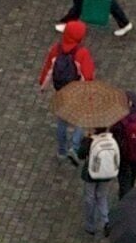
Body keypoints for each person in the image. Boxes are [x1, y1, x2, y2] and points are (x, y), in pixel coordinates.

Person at [38, 16, 95, 162]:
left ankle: (61, 151)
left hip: (61, 93)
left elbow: (47, 69)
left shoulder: (56, 50)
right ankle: (74, 147)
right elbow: (87, 75)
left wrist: (43, 86)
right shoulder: (82, 53)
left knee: (62, 124)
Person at [80, 117, 123, 235]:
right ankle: (106, 221)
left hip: (91, 174)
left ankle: (90, 225)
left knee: (90, 198)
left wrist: (85, 138)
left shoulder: (90, 140)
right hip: (107, 173)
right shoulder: (111, 139)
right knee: (102, 197)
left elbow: (81, 155)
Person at [112, 88, 136, 196]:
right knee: (133, 175)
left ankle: (123, 195)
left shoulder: (119, 119)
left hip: (123, 154)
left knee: (123, 178)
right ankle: (131, 193)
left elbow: (113, 135)